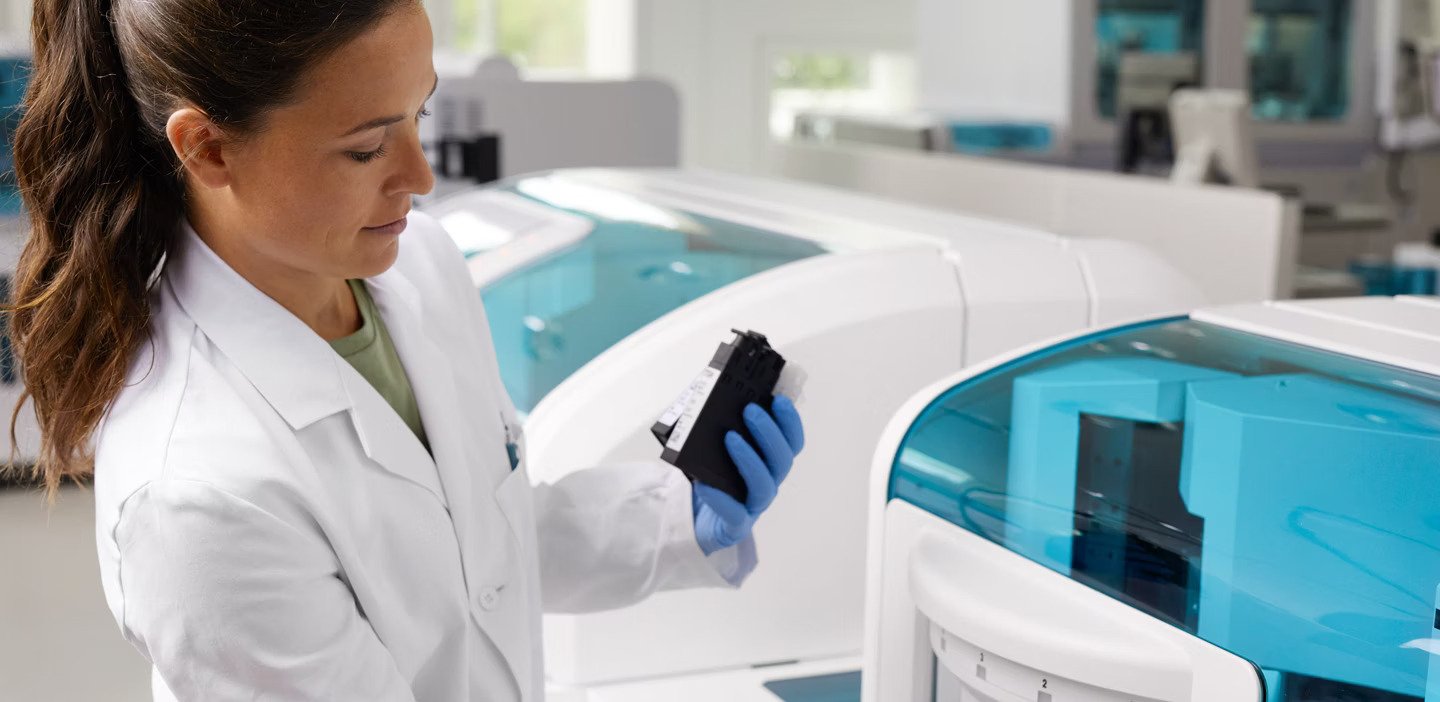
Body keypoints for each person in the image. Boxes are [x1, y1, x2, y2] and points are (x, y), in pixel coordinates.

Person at [9, 1, 805, 699]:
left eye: (418, 116)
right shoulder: (198, 496)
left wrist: (673, 519)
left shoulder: (419, 265)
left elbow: (477, 548)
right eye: (366, 149)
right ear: (208, 149)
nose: (420, 177)